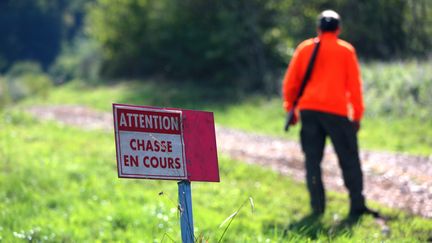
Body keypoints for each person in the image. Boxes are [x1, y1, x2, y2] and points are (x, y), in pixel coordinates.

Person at [282, 10, 379, 218]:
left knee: (312, 161)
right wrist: (357, 114)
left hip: (308, 111)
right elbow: (354, 86)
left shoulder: (304, 48)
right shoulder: (346, 51)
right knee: (349, 159)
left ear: (318, 28)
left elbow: (290, 82)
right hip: (337, 112)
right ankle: (357, 205)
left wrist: (291, 107)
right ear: (338, 29)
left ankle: (317, 208)